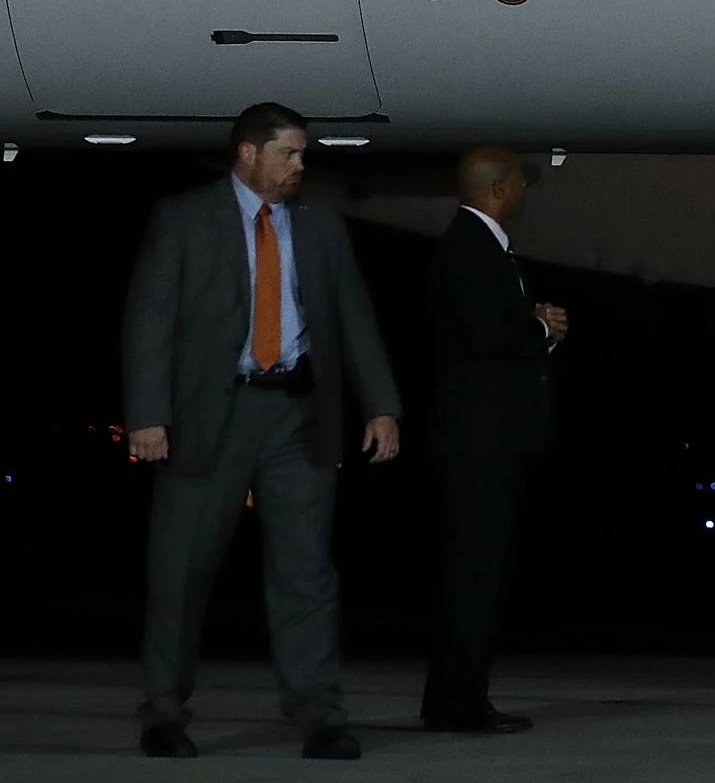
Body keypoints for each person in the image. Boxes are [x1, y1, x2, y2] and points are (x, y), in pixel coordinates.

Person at [123, 103, 402, 761]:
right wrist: (146, 414)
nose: (301, 166)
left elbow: (355, 318)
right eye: (290, 154)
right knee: (181, 571)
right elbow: (149, 321)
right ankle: (164, 712)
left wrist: (381, 405)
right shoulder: (185, 218)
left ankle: (319, 715)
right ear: (249, 154)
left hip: (296, 415)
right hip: (208, 418)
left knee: (307, 574)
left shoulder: (322, 225)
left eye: (304, 154)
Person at [421, 147, 567, 736]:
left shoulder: (474, 246)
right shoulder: (473, 249)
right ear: (500, 188)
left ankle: (454, 697)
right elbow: (484, 336)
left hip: (481, 438)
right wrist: (540, 327)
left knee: (475, 571)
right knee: (475, 573)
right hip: (482, 441)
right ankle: (459, 702)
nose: (527, 192)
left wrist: (535, 332)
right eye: (522, 183)